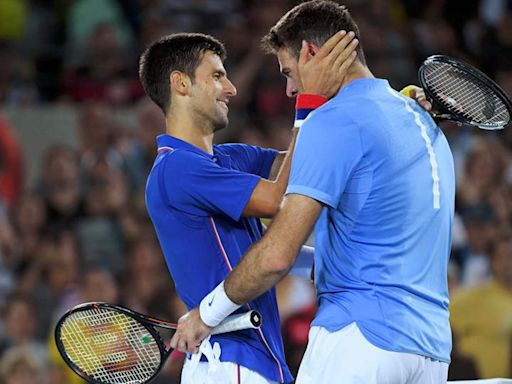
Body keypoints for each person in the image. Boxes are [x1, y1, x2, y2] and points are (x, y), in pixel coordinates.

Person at [172, 2, 455, 384]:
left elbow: (277, 255)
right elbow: (365, 248)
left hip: (360, 340)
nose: (290, 88)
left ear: (311, 53)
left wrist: (205, 315)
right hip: (432, 352)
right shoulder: (418, 116)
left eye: (289, 72)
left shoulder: (333, 120)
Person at [140, 31, 358, 383]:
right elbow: (279, 198)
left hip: (251, 361)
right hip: (231, 362)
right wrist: (309, 102)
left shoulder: (227, 159)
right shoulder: (176, 169)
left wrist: (390, 110)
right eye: (216, 76)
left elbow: (314, 162)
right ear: (180, 84)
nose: (231, 88)